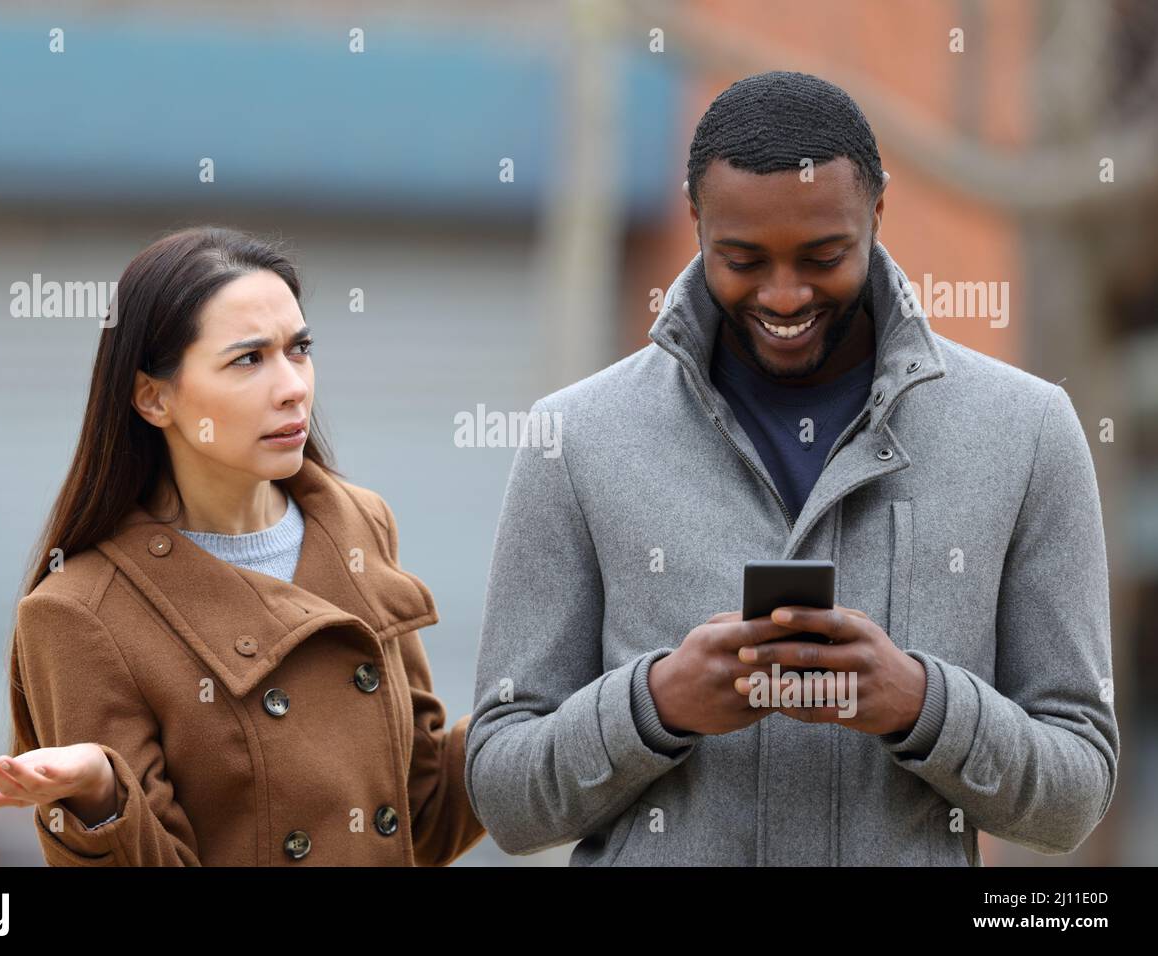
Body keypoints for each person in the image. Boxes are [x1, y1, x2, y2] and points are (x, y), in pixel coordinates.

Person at [465, 71, 1118, 865]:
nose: (783, 295)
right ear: (695, 220)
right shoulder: (573, 437)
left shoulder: (1026, 431)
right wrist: (657, 704)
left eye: (823, 255)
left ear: (878, 215)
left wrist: (918, 703)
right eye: (741, 258)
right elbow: (503, 795)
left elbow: (1075, 793)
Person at [0, 226, 485, 866]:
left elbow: (419, 816)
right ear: (154, 397)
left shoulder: (357, 524)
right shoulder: (78, 613)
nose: (293, 386)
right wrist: (101, 794)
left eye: (300, 348)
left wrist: (572, 705)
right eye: (248, 359)